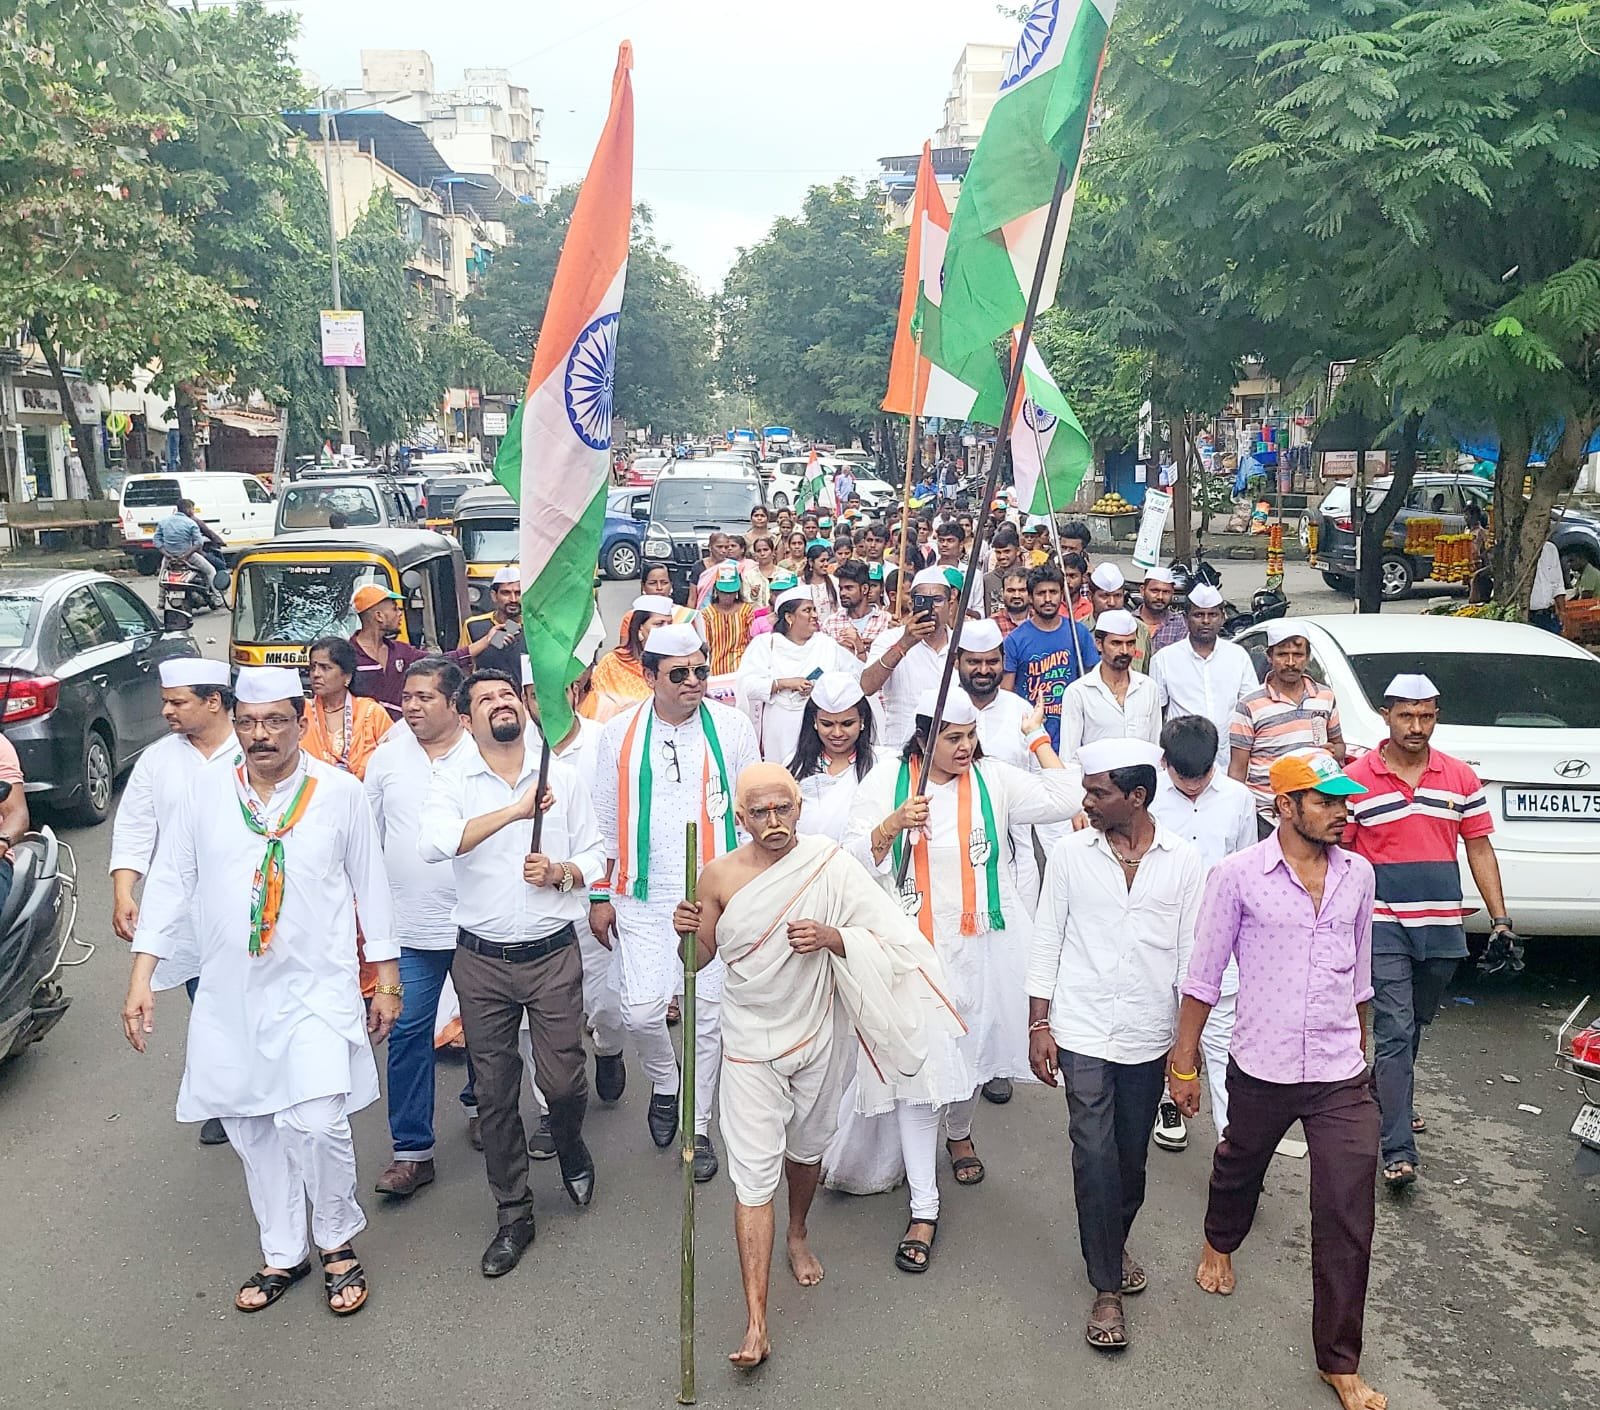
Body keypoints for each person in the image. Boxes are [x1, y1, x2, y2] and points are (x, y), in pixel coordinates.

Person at [123, 665, 398, 1318]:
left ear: (302, 722)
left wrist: (386, 977)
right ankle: (283, 1250)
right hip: (231, 993)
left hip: (316, 988)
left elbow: (372, 885)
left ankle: (336, 1239)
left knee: (316, 1121)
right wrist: (143, 974)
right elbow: (168, 882)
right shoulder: (205, 795)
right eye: (248, 722)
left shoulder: (339, 794)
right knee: (253, 1130)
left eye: (276, 721)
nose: (260, 734)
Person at [671, 763, 946, 1368]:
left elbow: (891, 936)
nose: (774, 823)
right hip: (749, 1038)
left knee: (808, 1148)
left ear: (799, 808)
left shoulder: (829, 863)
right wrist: (685, 931)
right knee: (751, 1175)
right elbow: (697, 962)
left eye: (784, 809)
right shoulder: (715, 875)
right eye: (760, 813)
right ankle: (756, 1322)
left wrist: (831, 936)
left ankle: (798, 1231)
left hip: (820, 1031)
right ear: (740, 818)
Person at [835, 688, 1079, 1268]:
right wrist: (891, 825)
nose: (965, 747)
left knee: (971, 1056)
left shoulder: (994, 780)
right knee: (921, 1075)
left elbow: (1066, 796)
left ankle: (960, 1131)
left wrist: (1037, 737)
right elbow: (849, 857)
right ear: (923, 736)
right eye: (951, 737)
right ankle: (925, 1206)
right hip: (911, 950)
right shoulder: (889, 782)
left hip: (985, 944)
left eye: (970, 736)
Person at [1171, 749, 1383, 1410]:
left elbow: (1360, 975)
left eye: (1344, 801)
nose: (1341, 813)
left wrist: (1364, 1050)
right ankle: (1220, 1240)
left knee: (1348, 1209)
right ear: (1284, 806)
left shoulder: (1359, 875)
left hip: (1338, 1070)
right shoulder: (1237, 877)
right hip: (1261, 1063)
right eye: (1325, 801)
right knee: (1239, 1166)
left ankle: (1339, 1361)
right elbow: (1203, 975)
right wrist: (1182, 1065)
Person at [418, 669, 605, 1276]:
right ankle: (513, 1211)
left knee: (563, 1083)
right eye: (484, 701)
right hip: (481, 960)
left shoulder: (565, 776)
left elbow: (598, 851)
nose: (500, 705)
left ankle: (571, 1143)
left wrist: (562, 873)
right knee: (494, 1095)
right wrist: (514, 810)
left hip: (552, 953)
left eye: (507, 696)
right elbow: (436, 843)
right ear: (466, 720)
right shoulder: (451, 778)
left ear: (524, 707)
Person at [1028, 737, 1203, 1352]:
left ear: (1137, 796)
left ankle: (1112, 1236)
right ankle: (1105, 1287)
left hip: (1148, 1032)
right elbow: (1048, 935)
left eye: (1098, 792)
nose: (1086, 801)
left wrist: (1187, 1054)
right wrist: (1038, 1023)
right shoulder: (1073, 854)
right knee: (1092, 1152)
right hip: (1080, 1028)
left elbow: (1193, 962)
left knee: (1131, 1161)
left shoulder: (1185, 862)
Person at [592, 623, 761, 1180]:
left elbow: (751, 807)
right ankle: (666, 1082)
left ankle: (698, 1123)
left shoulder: (733, 728)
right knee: (640, 1011)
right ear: (649, 676)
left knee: (706, 1017)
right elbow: (603, 820)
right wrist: (599, 893)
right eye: (679, 674)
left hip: (713, 894)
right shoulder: (617, 734)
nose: (694, 682)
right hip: (642, 892)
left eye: (701, 670)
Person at [1340, 674, 1512, 1190]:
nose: (1416, 727)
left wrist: (1500, 919)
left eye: (1427, 716)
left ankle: (1389, 1093)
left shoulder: (1459, 778)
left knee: (1413, 1024)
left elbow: (1479, 847)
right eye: (1406, 716)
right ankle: (1398, 1149)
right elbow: (1340, 857)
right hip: (1383, 921)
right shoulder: (1354, 779)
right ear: (1386, 716)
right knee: (1393, 1029)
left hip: (1442, 925)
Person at [363, 658, 481, 1197]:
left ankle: (484, 1106)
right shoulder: (386, 759)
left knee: (486, 1028)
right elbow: (366, 841)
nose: (411, 705)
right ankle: (412, 1152)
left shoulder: (483, 755)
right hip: (409, 930)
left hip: (477, 924)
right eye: (407, 696)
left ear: (454, 703)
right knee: (408, 1032)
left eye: (424, 697)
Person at [109, 657, 233, 1146]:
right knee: (207, 1004)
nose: (167, 711)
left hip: (254, 907)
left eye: (177, 702)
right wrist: (124, 889)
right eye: (165, 701)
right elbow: (136, 827)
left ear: (214, 701)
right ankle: (225, 1099)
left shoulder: (254, 752)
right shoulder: (158, 761)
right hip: (186, 913)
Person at [1147, 715, 1256, 1151]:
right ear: (1164, 761)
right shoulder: (1148, 794)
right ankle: (1166, 1103)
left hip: (1219, 939)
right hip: (1159, 931)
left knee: (1223, 1045)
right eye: (1182, 777)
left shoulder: (1237, 798)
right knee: (1161, 1026)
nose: (1193, 787)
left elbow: (1248, 867)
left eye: (1203, 776)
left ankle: (1234, 1148)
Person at [957, 617, 1049, 919]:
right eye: (973, 661)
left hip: (1017, 856)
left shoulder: (1021, 711)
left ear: (1003, 662)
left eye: (991, 661)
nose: (983, 670)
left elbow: (1043, 784)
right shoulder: (940, 708)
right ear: (957, 661)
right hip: (954, 850)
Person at [1230, 620, 1345, 834]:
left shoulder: (1324, 697)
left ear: (1307, 657)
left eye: (1298, 655)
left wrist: (1332, 752)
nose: (1290, 662)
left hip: (1312, 813)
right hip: (1265, 815)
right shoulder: (1249, 705)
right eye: (1283, 654)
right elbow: (1238, 768)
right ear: (1269, 657)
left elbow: (1339, 747)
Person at [735, 588, 860, 764]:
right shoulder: (765, 644)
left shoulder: (826, 645)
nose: (814, 615)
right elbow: (746, 685)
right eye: (807, 610)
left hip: (818, 726)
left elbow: (855, 677)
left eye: (814, 610)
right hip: (779, 725)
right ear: (789, 617)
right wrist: (784, 684)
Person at [1149, 583, 1257, 772]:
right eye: (1198, 615)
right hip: (1181, 760)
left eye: (1212, 615)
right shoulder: (1164, 659)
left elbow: (1250, 707)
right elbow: (1157, 712)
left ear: (1223, 617)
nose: (1206, 621)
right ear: (1185, 618)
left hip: (1229, 761)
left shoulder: (1238, 656)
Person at [348, 584, 486, 720]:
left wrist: (486, 640)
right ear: (379, 616)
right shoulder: (348, 655)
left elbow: (442, 661)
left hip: (401, 732)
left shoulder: (402, 651)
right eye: (395, 609)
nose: (400, 614)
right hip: (361, 736)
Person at [1002, 564, 1100, 751]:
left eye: (1053, 592)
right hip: (1030, 737)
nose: (1048, 599)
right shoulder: (1014, 640)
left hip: (1072, 734)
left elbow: (1093, 681)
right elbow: (1007, 694)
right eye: (1041, 593)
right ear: (1030, 597)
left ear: (1062, 595)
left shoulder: (1078, 632)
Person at [861, 566, 960, 746]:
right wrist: (904, 644)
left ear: (950, 605)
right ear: (912, 604)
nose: (931, 608)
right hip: (901, 749)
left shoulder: (962, 644)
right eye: (923, 600)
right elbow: (867, 686)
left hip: (951, 751)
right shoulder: (890, 639)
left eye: (937, 600)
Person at [786, 674, 879, 842]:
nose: (837, 733)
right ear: (814, 721)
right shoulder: (794, 766)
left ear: (862, 721)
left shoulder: (880, 765)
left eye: (847, 724)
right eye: (827, 724)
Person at [1059, 610, 1162, 762]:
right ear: (1099, 644)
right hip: (1098, 783)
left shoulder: (1149, 688)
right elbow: (1069, 756)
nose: (1125, 651)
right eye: (1116, 643)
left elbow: (1155, 748)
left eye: (1130, 643)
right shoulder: (1078, 692)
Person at [303, 636, 394, 778]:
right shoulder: (302, 713)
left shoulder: (371, 712)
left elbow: (395, 761)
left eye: (325, 668)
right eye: (312, 667)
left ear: (347, 676)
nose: (316, 674)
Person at [580, 594, 674, 723]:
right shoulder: (612, 664)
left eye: (670, 623)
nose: (666, 629)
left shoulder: (677, 662)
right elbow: (595, 708)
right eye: (659, 624)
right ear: (640, 629)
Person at [153, 498, 226, 606]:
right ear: (187, 509)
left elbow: (156, 541)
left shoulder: (163, 522)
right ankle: (218, 599)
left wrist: (167, 554)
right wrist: (185, 555)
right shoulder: (191, 523)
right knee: (211, 571)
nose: (193, 511)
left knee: (162, 575)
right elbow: (199, 543)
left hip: (169, 557)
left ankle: (161, 601)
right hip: (189, 557)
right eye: (192, 508)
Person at [820, 558, 891, 660]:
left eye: (849, 588)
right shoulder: (830, 622)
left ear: (865, 589)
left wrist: (862, 647)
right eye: (841, 588)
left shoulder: (886, 622)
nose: (842, 593)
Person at [464, 566, 527, 678]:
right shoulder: (474, 626)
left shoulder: (536, 626)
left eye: (518, 593)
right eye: (506, 593)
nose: (513, 599)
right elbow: (463, 663)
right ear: (494, 596)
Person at [703, 564, 755, 675]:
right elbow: (706, 646)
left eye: (731, 592)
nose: (727, 596)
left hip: (742, 669)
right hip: (715, 670)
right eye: (724, 592)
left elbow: (751, 642)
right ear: (716, 589)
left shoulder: (746, 611)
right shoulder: (707, 614)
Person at [1134, 567, 1187, 656]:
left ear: (1172, 593)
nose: (1160, 597)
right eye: (1155, 591)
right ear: (1142, 590)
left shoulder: (1180, 624)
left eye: (1166, 592)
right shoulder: (1129, 621)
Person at [981, 524, 1022, 616]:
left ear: (1018, 551)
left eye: (1007, 551)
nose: (1002, 556)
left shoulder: (1028, 577)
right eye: (998, 552)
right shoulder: (987, 580)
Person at [1529, 538, 1567, 633]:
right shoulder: (1517, 550)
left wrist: (1562, 613)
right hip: (1528, 616)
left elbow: (1558, 584)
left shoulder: (1550, 548)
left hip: (1548, 615)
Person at [995, 569, 1031, 639]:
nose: (1016, 595)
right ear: (1002, 593)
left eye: (1022, 590)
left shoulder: (1041, 620)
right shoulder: (993, 624)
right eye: (1011, 591)